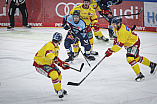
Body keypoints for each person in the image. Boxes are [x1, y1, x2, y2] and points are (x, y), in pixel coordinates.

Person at [105, 17, 157, 81]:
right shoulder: (116, 28)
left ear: (119, 24)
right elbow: (116, 38)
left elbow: (120, 45)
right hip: (129, 43)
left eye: (114, 24)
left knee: (130, 58)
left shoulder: (123, 31)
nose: (113, 25)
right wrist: (113, 46)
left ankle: (140, 75)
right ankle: (152, 64)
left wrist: (111, 50)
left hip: (134, 43)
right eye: (112, 24)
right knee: (136, 58)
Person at [33, 32, 70, 98]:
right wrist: (57, 61)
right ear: (60, 40)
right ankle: (58, 90)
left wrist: (62, 64)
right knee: (54, 74)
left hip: (48, 63)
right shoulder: (49, 45)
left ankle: (58, 89)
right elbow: (49, 54)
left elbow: (54, 58)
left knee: (59, 74)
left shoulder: (56, 48)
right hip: (40, 64)